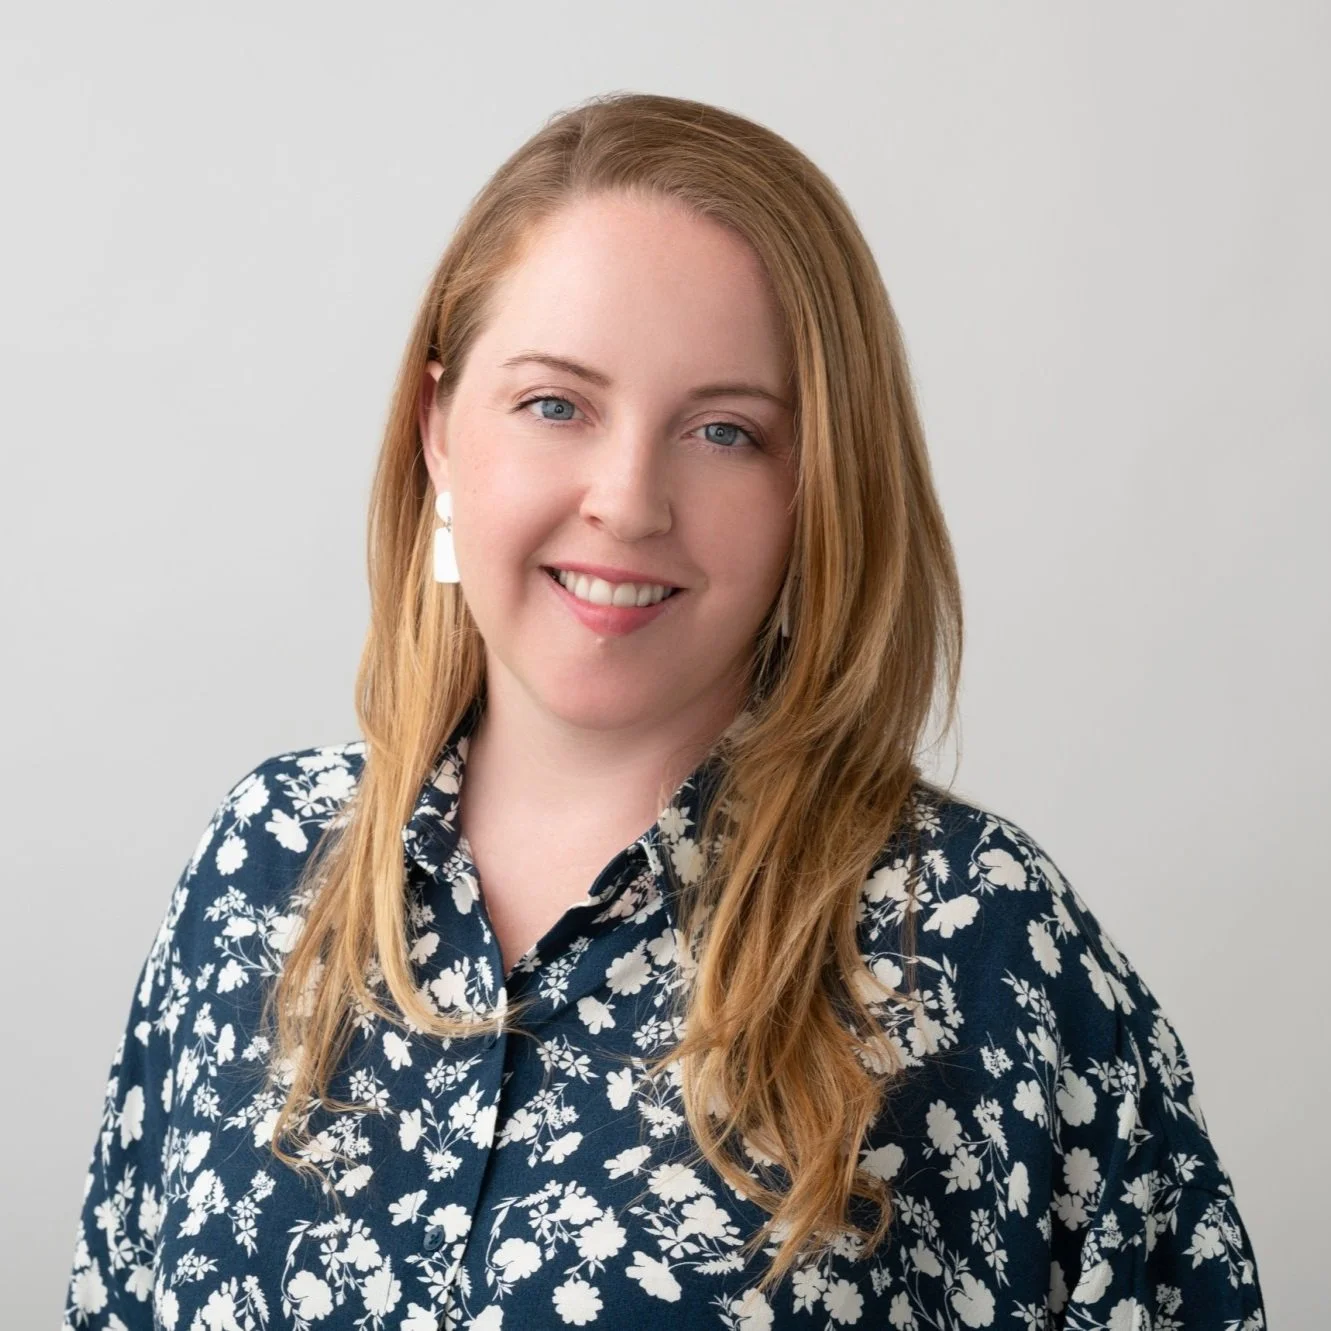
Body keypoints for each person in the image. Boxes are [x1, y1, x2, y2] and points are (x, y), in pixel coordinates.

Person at [61, 92, 1266, 1330]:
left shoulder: (971, 947)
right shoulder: (263, 864)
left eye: (724, 431)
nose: (628, 501)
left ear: (821, 490)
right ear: (437, 431)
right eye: (554, 404)